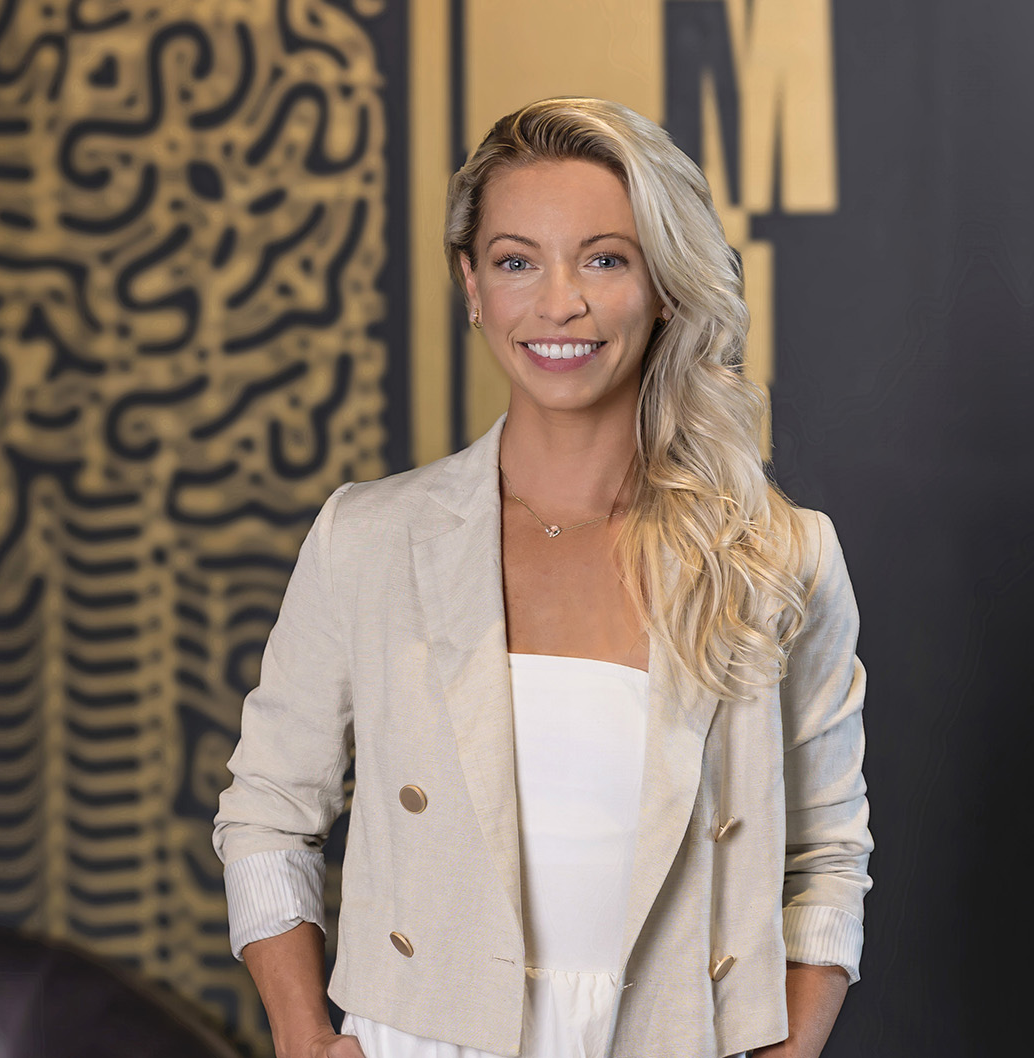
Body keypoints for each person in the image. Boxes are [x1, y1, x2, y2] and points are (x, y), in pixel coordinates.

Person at [212, 97, 872, 1058]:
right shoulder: (369, 538)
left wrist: (787, 1050)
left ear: (665, 286)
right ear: (472, 285)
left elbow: (826, 855)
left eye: (604, 259)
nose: (558, 303)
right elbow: (266, 813)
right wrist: (303, 1037)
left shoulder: (778, 554)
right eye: (517, 261)